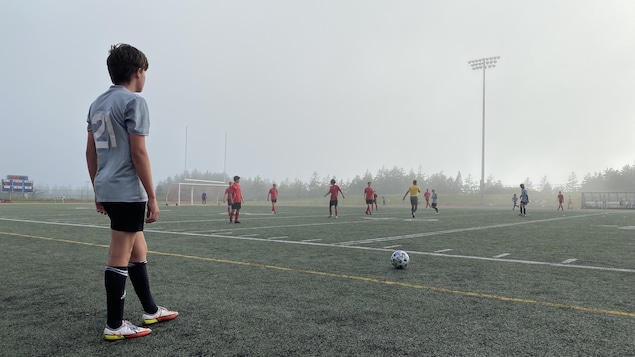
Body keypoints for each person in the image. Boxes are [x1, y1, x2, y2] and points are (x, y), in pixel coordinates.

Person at [86, 44, 178, 341]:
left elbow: (90, 152)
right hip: (127, 190)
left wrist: (97, 187)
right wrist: (152, 196)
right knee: (120, 254)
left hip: (109, 187)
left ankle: (150, 309)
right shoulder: (134, 102)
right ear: (138, 72)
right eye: (145, 72)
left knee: (139, 250)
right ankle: (114, 325)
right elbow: (139, 152)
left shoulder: (97, 103)